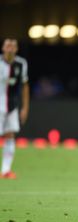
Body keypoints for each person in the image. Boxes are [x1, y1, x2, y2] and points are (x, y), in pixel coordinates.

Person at [0, 39, 29, 179]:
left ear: (16, 49)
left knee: (10, 135)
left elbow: (25, 86)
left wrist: (25, 108)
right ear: (3, 48)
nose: (10, 48)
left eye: (13, 46)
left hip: (12, 105)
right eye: (7, 45)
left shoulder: (21, 64)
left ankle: (5, 170)